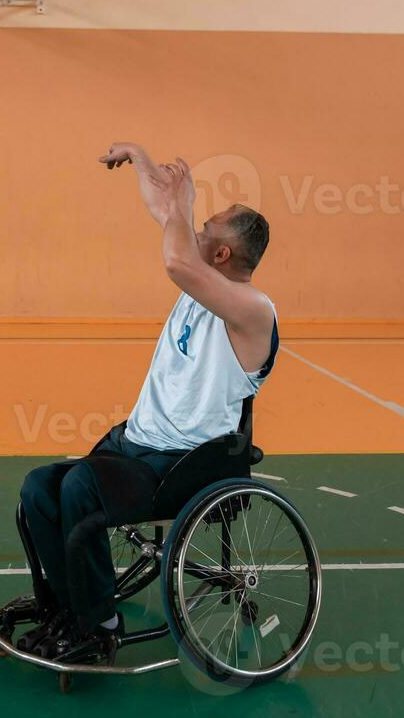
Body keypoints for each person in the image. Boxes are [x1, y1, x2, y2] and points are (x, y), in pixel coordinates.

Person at [14, 143, 278, 662]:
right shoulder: (203, 282)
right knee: (39, 489)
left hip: (181, 463)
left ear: (222, 256)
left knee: (80, 492)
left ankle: (99, 623)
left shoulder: (251, 310)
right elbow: (168, 221)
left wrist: (186, 203)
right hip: (134, 444)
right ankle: (69, 605)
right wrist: (140, 159)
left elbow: (177, 254)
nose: (195, 230)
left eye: (208, 231)